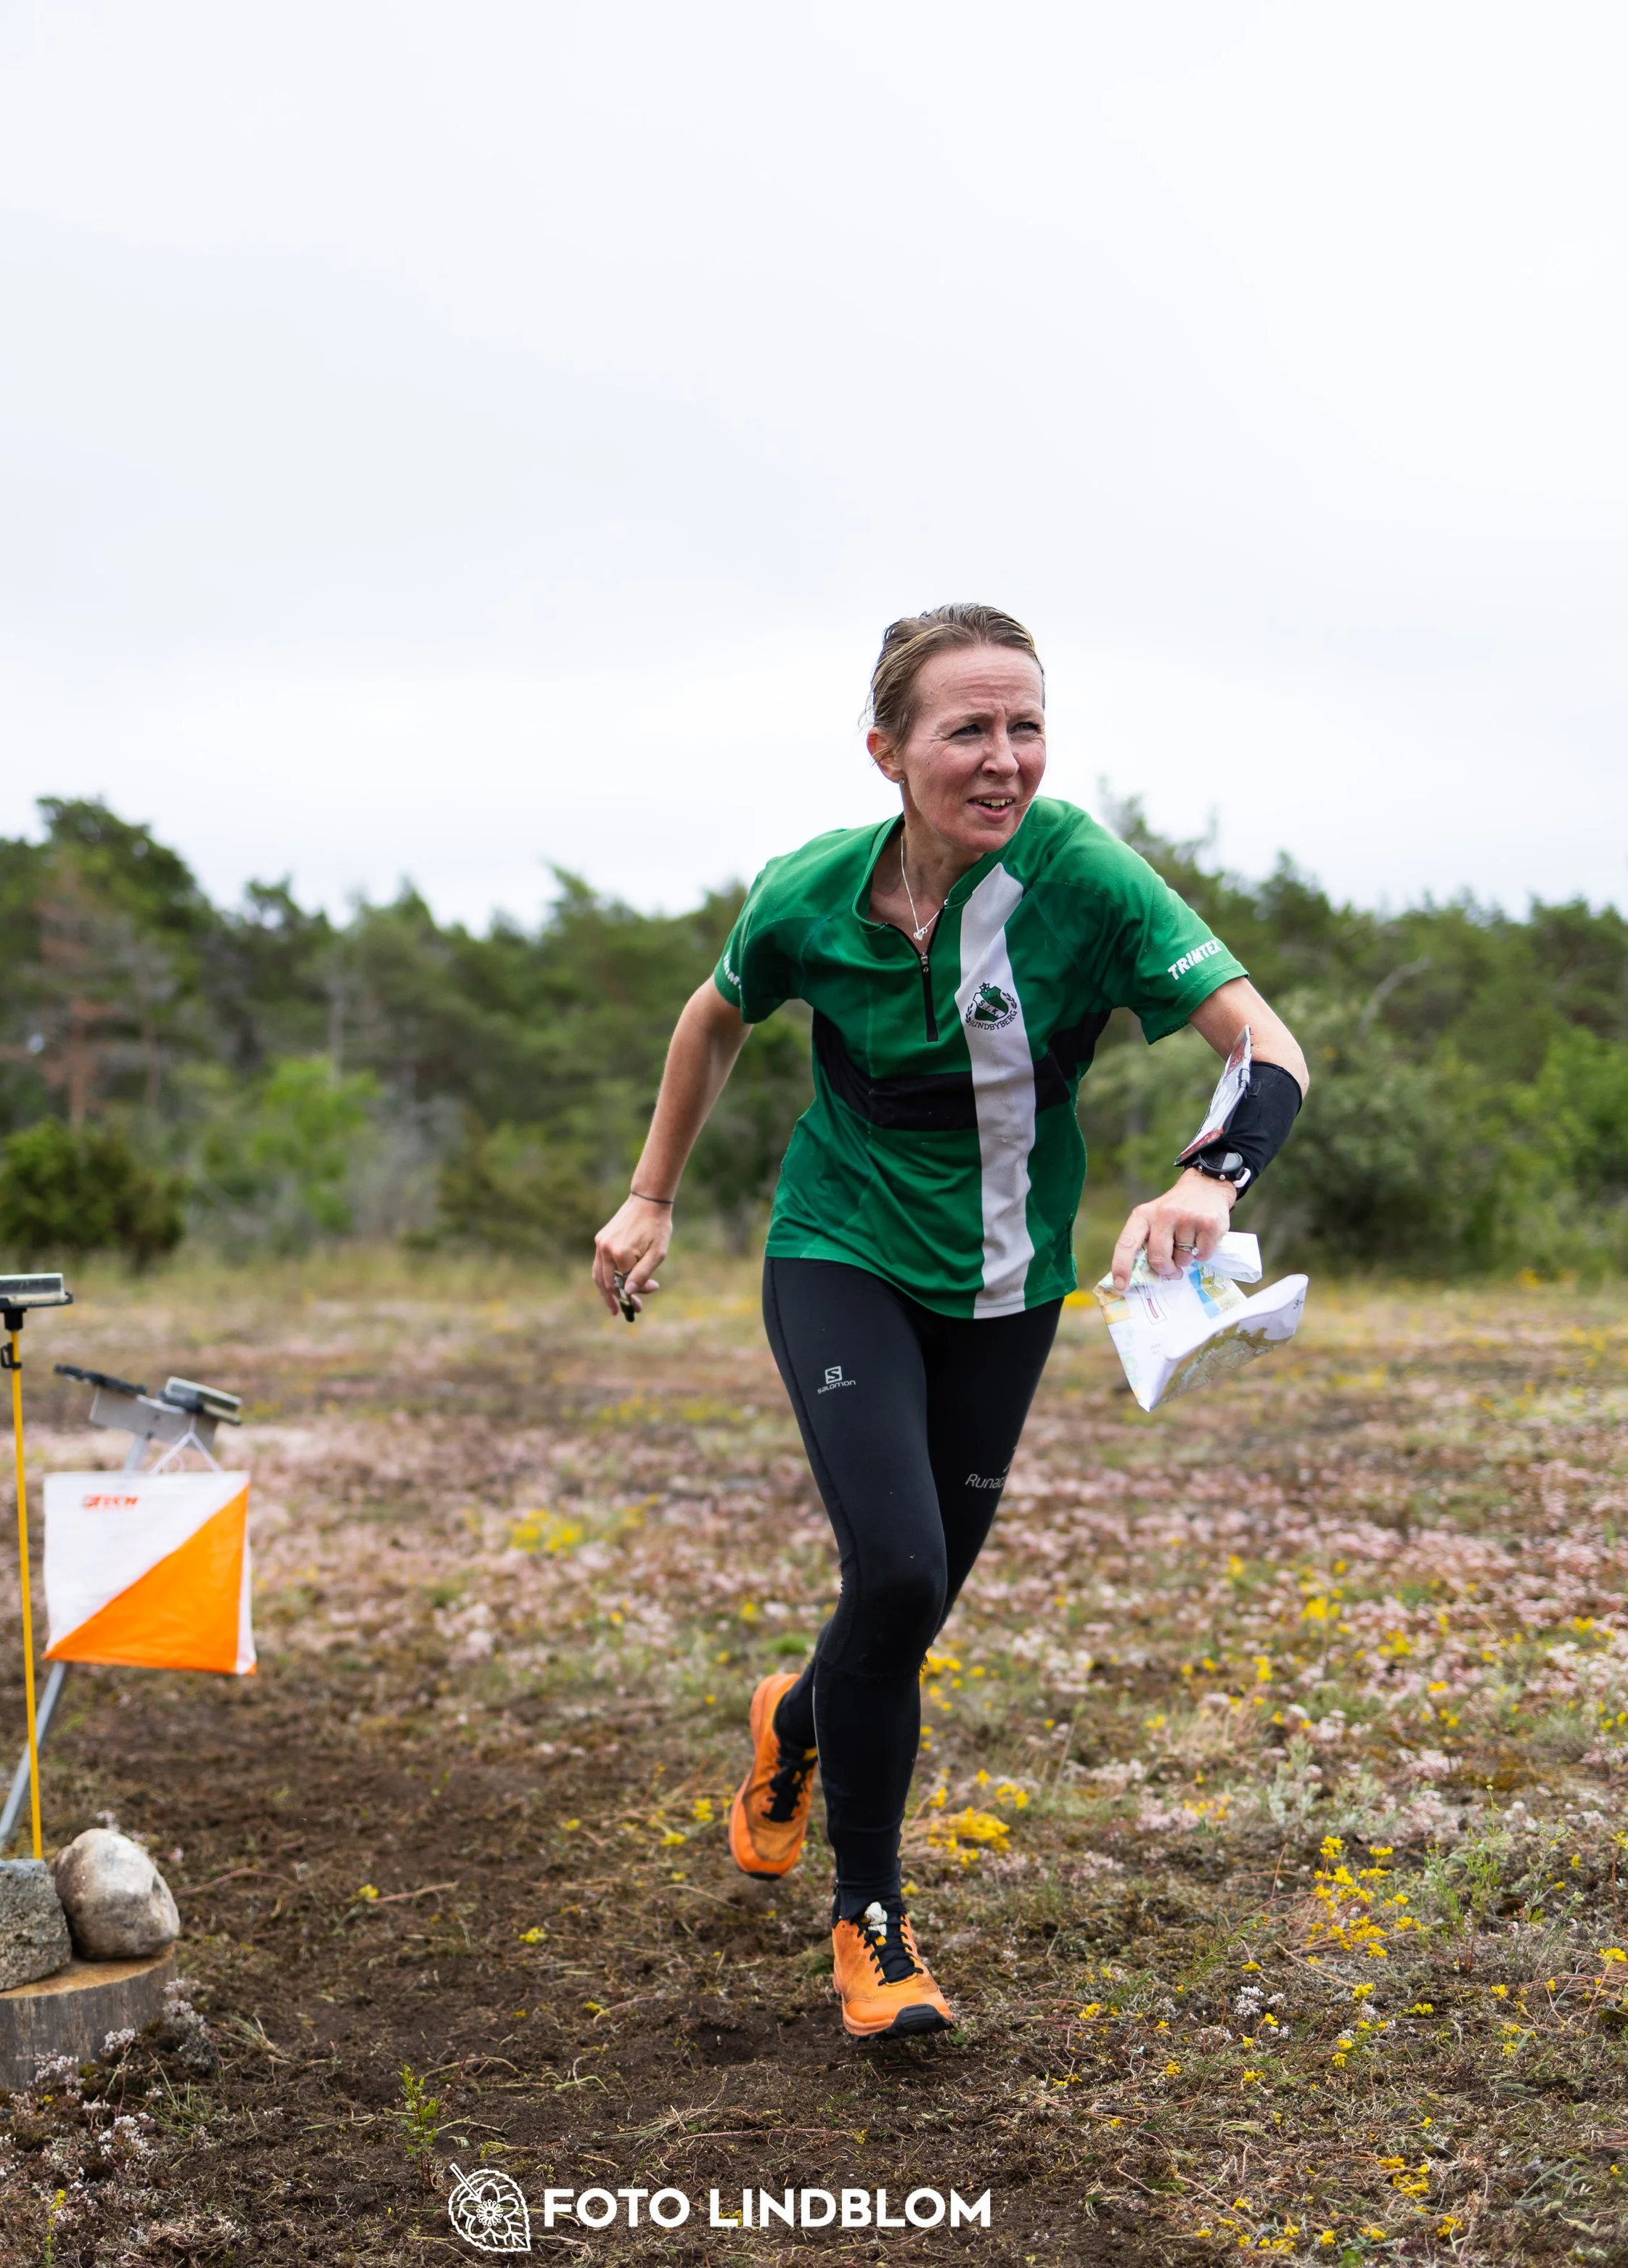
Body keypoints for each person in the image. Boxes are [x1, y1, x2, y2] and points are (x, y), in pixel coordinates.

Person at [592, 603, 1309, 2040]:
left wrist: (1201, 1176)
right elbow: (712, 1017)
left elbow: (1268, 1047)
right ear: (887, 751)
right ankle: (871, 1922)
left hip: (1003, 1283)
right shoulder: (807, 892)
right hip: (837, 1249)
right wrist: (649, 1197)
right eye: (966, 730)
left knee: (903, 1610)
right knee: (900, 1564)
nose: (1003, 760)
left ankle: (791, 1719)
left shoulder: (1086, 881)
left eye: (1024, 726)